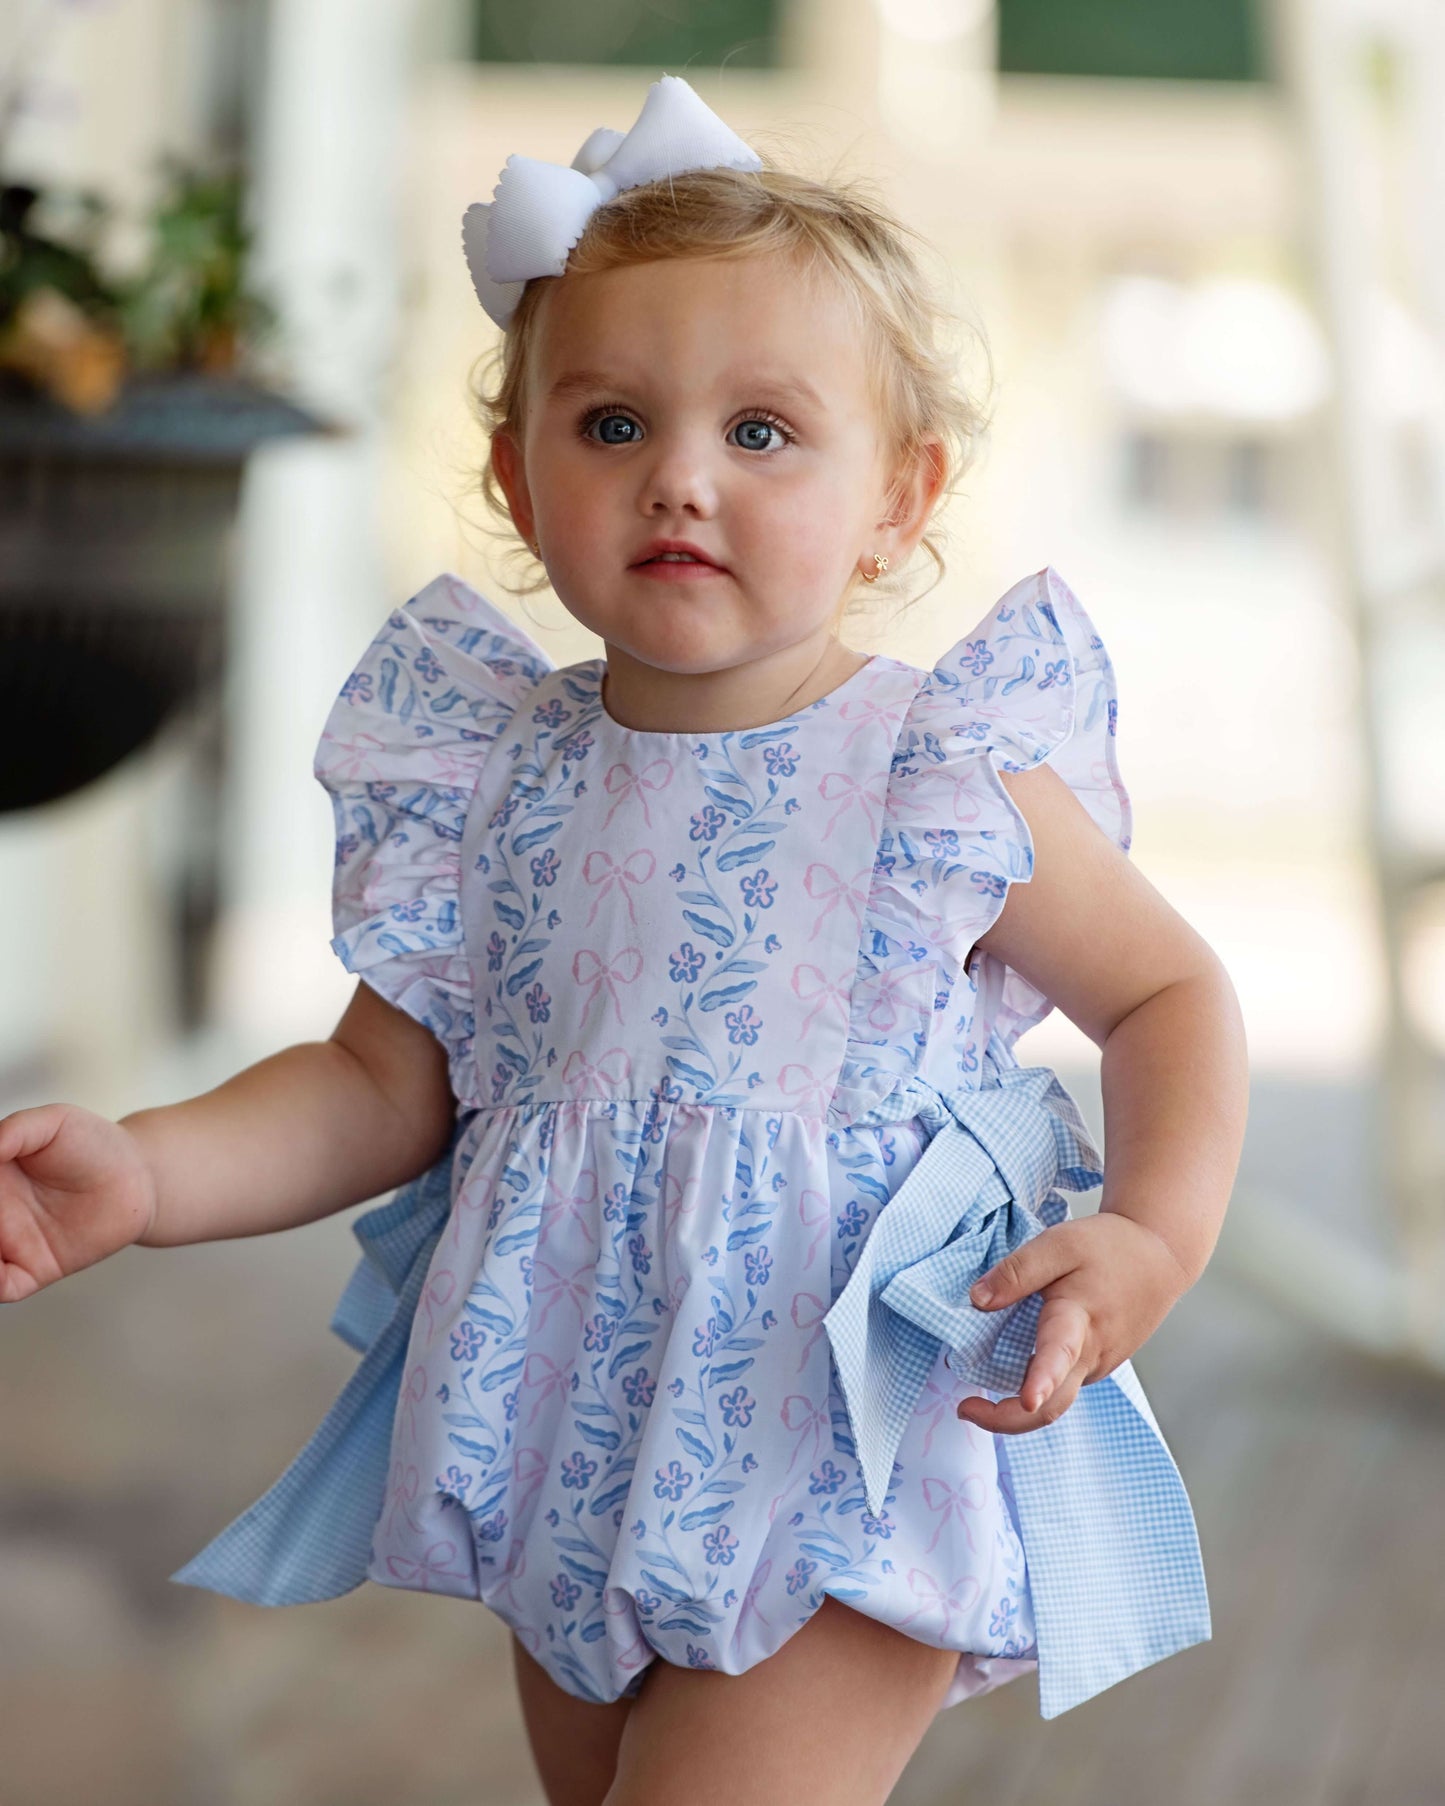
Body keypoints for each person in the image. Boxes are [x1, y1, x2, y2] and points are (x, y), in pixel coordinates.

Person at [0, 75, 1248, 1806]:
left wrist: (1152, 1235)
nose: (679, 478)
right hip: (566, 1424)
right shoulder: (501, 777)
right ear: (516, 481)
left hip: (840, 1431)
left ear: (899, 493)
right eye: (608, 427)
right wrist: (141, 1174)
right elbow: (379, 1086)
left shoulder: (930, 768)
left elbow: (1170, 992)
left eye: (760, 432)